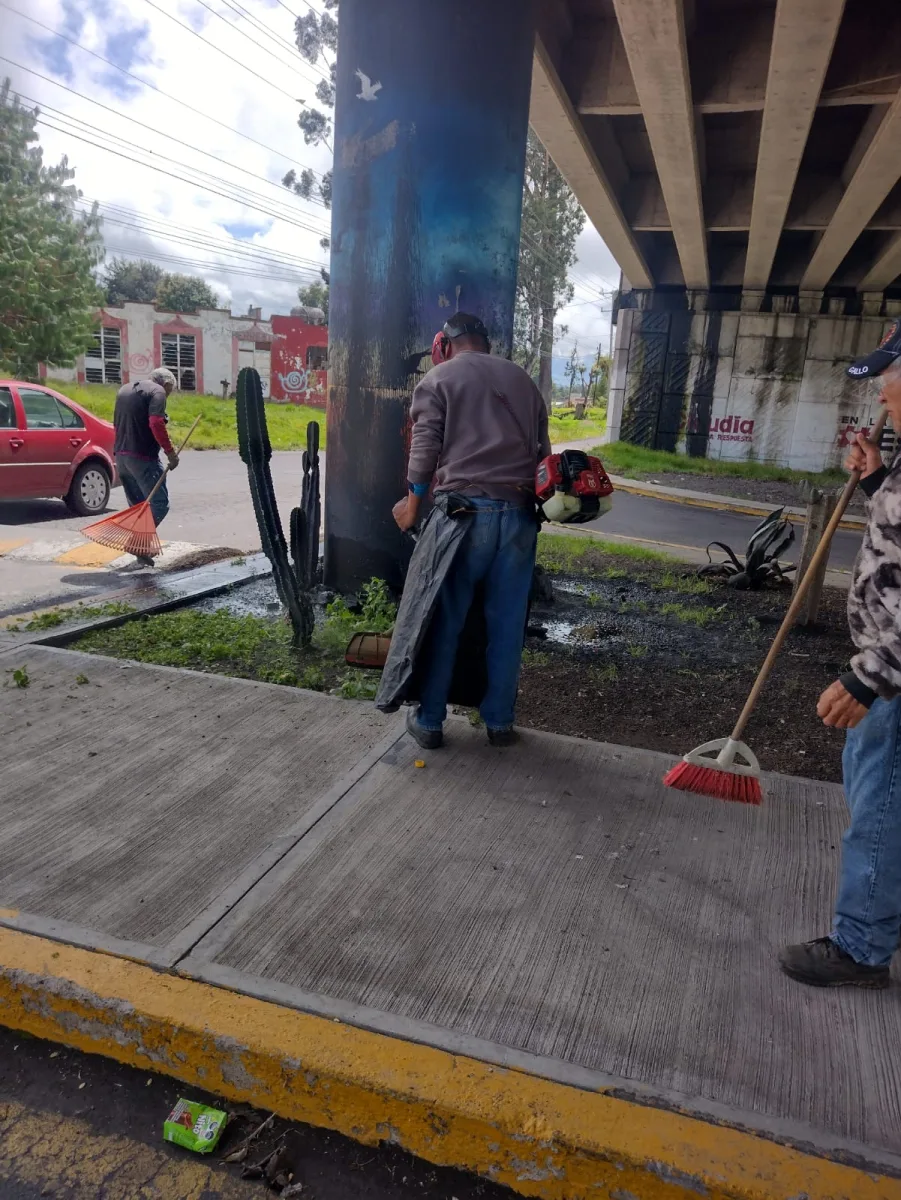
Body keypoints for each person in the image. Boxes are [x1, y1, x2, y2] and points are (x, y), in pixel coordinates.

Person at [780, 319, 901, 988]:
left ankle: (859, 948)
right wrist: (879, 473)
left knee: (879, 811)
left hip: (893, 676)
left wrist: (869, 677)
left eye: (888, 382)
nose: (882, 397)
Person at [391, 312, 551, 749]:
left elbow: (423, 453)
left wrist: (412, 506)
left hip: (463, 519)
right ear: (486, 343)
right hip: (519, 519)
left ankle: (429, 721)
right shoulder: (523, 380)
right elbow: (544, 455)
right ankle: (499, 723)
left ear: (443, 342)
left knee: (445, 620)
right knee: (506, 625)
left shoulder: (440, 378)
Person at [113, 367, 180, 567]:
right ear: (166, 384)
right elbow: (156, 423)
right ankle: (136, 543)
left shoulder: (125, 390)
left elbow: (121, 422)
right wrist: (170, 453)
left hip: (121, 457)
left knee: (140, 507)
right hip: (142, 458)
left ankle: (141, 552)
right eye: (170, 391)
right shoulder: (157, 392)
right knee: (159, 503)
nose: (168, 394)